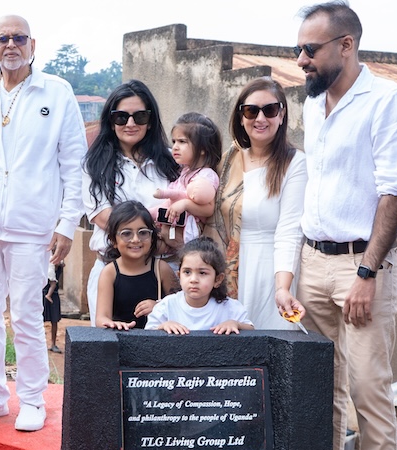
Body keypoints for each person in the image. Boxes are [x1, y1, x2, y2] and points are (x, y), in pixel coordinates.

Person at [293, 0, 397, 450]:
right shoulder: (315, 105)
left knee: (370, 388)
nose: (301, 59)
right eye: (299, 48)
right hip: (314, 261)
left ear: (346, 45)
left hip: (360, 264)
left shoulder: (388, 102)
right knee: (324, 383)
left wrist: (367, 272)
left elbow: (396, 191)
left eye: (310, 49)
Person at [0, 15, 86, 432]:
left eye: (18, 38)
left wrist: (66, 224)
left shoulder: (57, 93)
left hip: (32, 226)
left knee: (27, 315)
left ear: (32, 44)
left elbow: (73, 165)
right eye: (2, 39)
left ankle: (31, 399)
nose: (11, 45)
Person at [206, 78, 308, 330]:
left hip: (273, 270)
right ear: (241, 117)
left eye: (270, 110)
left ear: (282, 115)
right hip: (227, 270)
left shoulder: (294, 163)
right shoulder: (228, 160)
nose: (260, 118)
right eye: (251, 110)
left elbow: (290, 231)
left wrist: (282, 287)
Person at [82, 81, 178, 320]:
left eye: (140, 116)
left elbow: (182, 208)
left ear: (151, 120)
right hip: (112, 272)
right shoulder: (94, 164)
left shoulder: (172, 161)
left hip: (162, 273)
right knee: (108, 351)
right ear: (110, 121)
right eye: (122, 117)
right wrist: (154, 237)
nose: (131, 124)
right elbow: (103, 216)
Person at [94, 200, 177, 330]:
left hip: (157, 344)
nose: (135, 239)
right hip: (121, 342)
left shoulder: (161, 269)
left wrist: (158, 307)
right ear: (113, 240)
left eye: (143, 232)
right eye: (126, 233)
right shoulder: (109, 273)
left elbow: (180, 307)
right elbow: (101, 317)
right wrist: (112, 324)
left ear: (152, 236)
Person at [146, 237, 253, 334]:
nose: (193, 280)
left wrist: (235, 324)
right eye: (187, 272)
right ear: (179, 275)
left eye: (202, 273)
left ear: (217, 279)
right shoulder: (167, 306)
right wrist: (163, 327)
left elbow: (252, 332)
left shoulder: (230, 308)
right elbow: (147, 336)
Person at [154, 112, 221, 245]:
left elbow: (209, 209)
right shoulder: (185, 171)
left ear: (202, 149)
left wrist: (185, 204)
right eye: (174, 141)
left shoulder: (206, 175)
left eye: (182, 141)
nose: (175, 147)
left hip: (191, 239)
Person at [43, 261, 63, 352]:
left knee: (54, 320)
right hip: (43, 293)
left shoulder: (59, 264)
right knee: (39, 320)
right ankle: (41, 343)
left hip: (54, 294)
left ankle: (53, 344)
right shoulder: (46, 261)